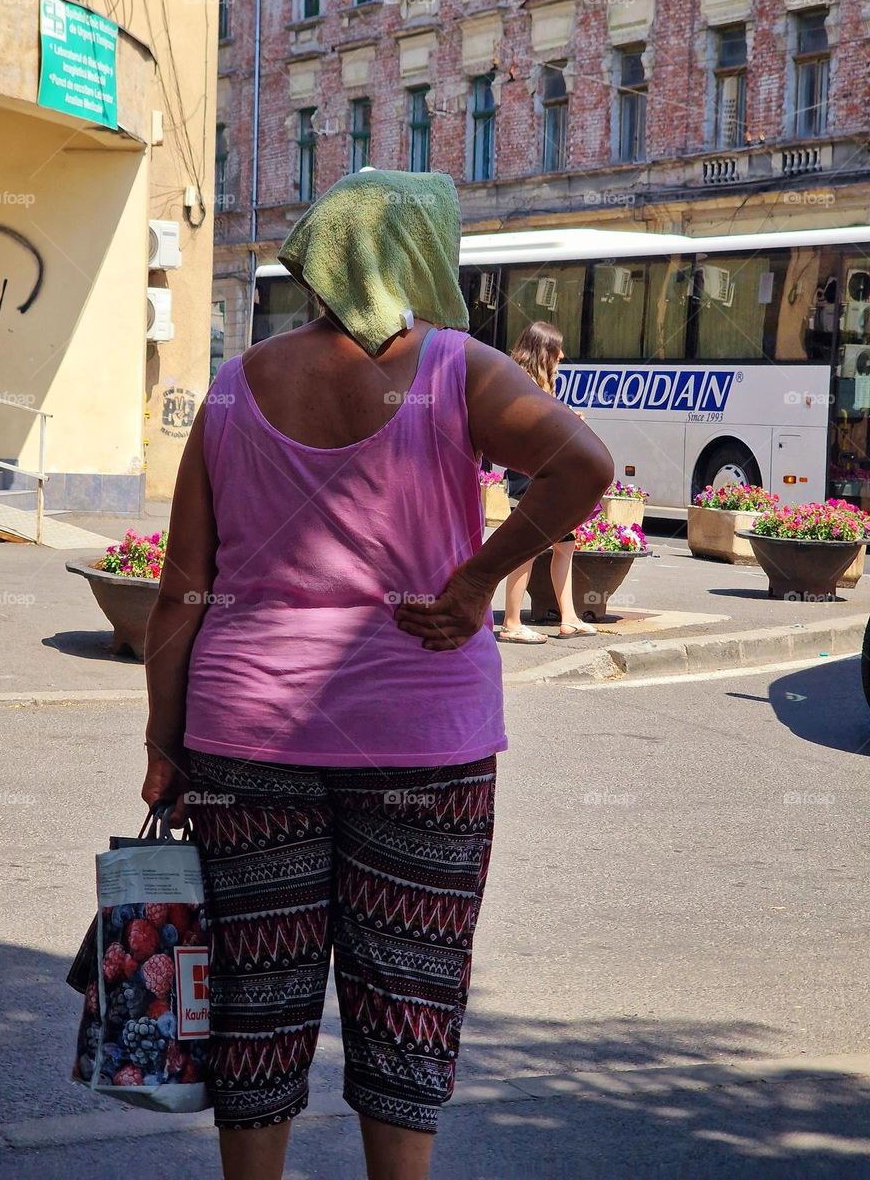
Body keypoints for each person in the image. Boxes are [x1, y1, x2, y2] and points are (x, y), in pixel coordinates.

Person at [140, 169, 612, 1180]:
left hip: (244, 735)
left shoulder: (233, 385)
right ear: (418, 256)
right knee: (410, 993)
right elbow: (584, 464)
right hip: (425, 744)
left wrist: (161, 743)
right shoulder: (457, 369)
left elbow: (183, 590)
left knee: (254, 1004)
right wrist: (479, 578)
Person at [498, 320, 598, 643]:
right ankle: (511, 623)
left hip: (544, 474)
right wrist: (566, 421)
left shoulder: (539, 383)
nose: (562, 355)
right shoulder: (519, 384)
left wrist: (567, 420)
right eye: (557, 350)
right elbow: (531, 428)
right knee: (527, 548)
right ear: (543, 351)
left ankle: (568, 618)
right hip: (528, 476)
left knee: (564, 544)